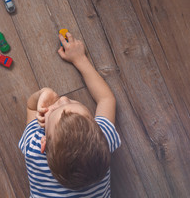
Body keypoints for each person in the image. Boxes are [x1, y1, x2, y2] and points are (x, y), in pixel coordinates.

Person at [19, 32, 121, 197]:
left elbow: (31, 107)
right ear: (98, 127)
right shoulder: (103, 138)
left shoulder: (33, 147)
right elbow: (106, 99)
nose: (64, 98)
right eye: (73, 103)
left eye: (57, 108)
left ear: (43, 143)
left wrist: (42, 94)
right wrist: (80, 59)